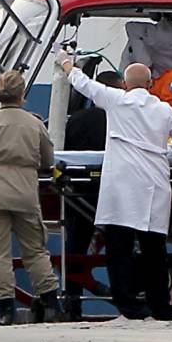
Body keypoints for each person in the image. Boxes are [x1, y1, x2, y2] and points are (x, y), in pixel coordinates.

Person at [63, 60, 172, 320]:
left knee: (119, 248)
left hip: (122, 184)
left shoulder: (116, 100)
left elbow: (84, 85)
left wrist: (66, 65)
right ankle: (161, 307)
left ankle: (128, 305)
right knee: (155, 250)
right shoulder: (164, 111)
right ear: (150, 84)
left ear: (125, 84)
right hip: (155, 183)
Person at [0, 70, 61, 325]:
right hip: (24, 193)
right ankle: (51, 304)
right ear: (22, 95)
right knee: (36, 252)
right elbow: (48, 160)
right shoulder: (35, 123)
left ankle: (6, 311)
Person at [61, 69, 123, 320]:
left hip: (79, 194)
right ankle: (125, 298)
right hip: (114, 192)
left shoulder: (76, 120)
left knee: (76, 247)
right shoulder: (121, 118)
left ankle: (72, 304)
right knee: (120, 248)